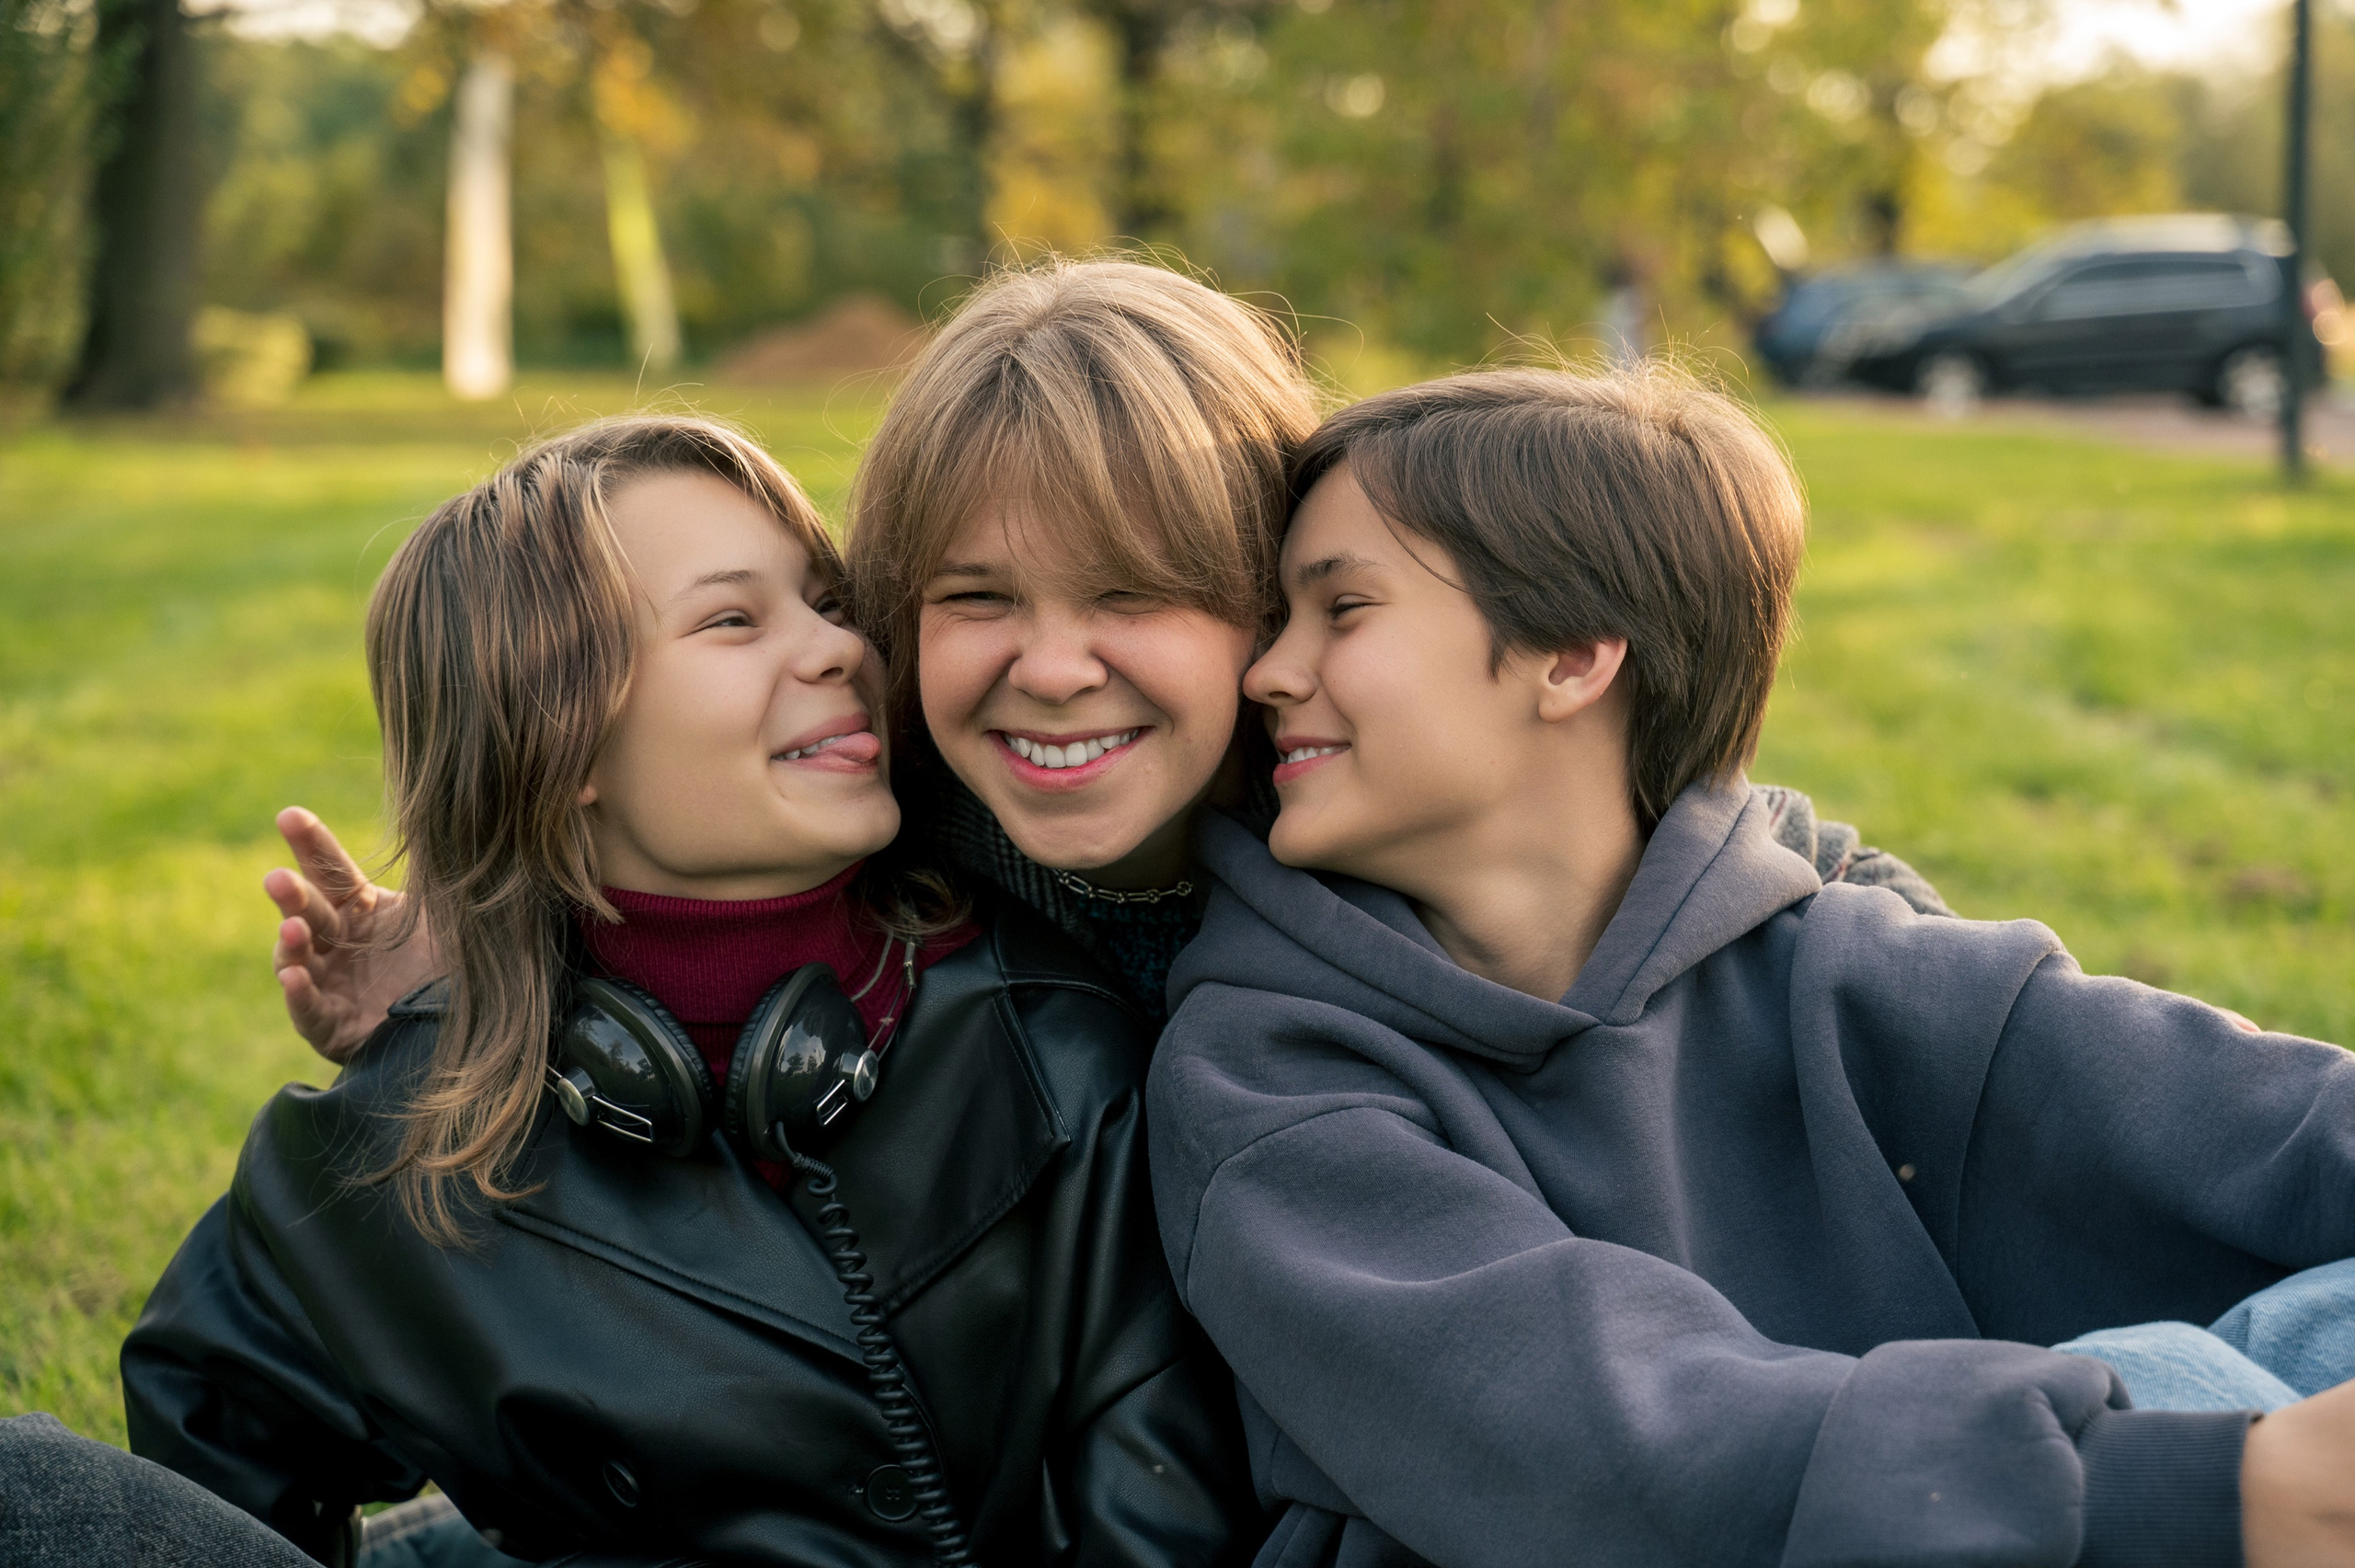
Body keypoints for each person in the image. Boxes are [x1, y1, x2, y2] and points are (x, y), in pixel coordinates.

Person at [1143, 365, 2355, 1568]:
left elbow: (2244, 1117)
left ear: (1571, 654)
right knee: (2177, 1388)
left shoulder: (1832, 949)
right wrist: (2213, 1489)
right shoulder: (1269, 1081)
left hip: (1983, 1485)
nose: (1267, 674)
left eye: (1340, 611)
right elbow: (1626, 1446)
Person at [118, 414, 1259, 1567]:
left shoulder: (1052, 1041)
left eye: (825, 600)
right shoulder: (409, 1135)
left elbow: (1163, 1505)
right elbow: (212, 1445)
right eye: (731, 619)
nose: (835, 649)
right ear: (556, 744)